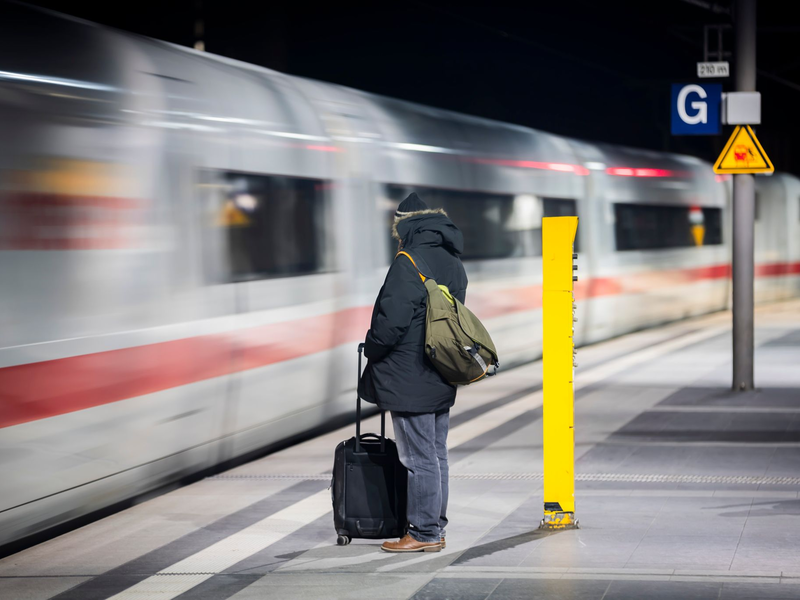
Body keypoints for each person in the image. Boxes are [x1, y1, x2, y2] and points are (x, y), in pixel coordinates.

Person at [358, 192, 468, 553]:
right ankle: (435, 526)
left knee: (418, 458)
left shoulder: (408, 261)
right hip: (441, 368)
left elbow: (391, 324)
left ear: (403, 226)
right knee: (436, 454)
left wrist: (371, 348)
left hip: (408, 375)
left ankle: (423, 532)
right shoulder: (453, 260)